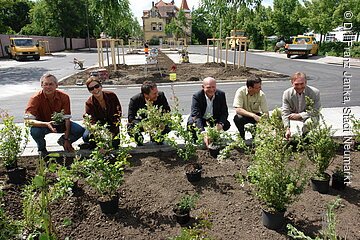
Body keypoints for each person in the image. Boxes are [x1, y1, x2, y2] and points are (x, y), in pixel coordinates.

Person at [24, 73, 85, 156]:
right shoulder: (35, 98)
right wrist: (46, 124)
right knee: (35, 131)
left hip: (60, 124)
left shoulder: (64, 97)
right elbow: (28, 121)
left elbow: (67, 119)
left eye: (51, 84)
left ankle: (64, 141)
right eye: (45, 84)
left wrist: (67, 139)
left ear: (56, 85)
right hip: (43, 125)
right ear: (41, 85)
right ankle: (42, 149)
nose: (48, 87)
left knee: (79, 130)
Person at [83, 77, 122, 149]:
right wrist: (99, 134)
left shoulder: (112, 96)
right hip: (99, 128)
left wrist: (112, 132)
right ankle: (92, 145)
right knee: (86, 136)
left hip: (112, 126)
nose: (95, 90)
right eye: (91, 88)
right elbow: (92, 121)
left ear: (101, 86)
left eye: (96, 86)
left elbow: (118, 114)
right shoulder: (89, 103)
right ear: (89, 91)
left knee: (114, 145)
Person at [127, 81, 171, 146]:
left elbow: (167, 111)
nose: (157, 95)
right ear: (146, 95)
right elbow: (131, 118)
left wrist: (162, 122)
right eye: (154, 93)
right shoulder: (135, 100)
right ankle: (139, 141)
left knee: (169, 123)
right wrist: (144, 125)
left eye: (157, 92)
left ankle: (158, 139)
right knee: (130, 127)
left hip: (158, 122)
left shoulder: (161, 96)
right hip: (143, 123)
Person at [187, 77, 231, 142]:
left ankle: (215, 137)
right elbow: (196, 115)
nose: (211, 90)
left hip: (213, 118)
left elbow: (224, 112)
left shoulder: (221, 94)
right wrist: (202, 132)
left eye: (213, 87)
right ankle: (194, 139)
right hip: (202, 118)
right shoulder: (197, 96)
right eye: (208, 87)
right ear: (203, 87)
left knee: (226, 124)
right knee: (191, 123)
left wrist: (220, 124)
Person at [282, 72, 321, 140]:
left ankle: (305, 138)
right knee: (276, 113)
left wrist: (300, 115)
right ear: (292, 83)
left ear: (306, 82)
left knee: (309, 122)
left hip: (308, 115)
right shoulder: (287, 93)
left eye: (302, 84)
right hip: (292, 114)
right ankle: (284, 136)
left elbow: (316, 111)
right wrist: (287, 128)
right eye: (296, 84)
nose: (299, 87)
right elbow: (285, 112)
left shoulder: (315, 92)